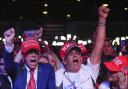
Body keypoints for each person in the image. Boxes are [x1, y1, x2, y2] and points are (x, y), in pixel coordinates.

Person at [55, 5, 110, 89]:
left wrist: (102, 19)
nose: (75, 55)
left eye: (77, 53)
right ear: (64, 61)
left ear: (81, 58)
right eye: (71, 54)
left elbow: (99, 45)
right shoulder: (57, 76)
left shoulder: (88, 70)